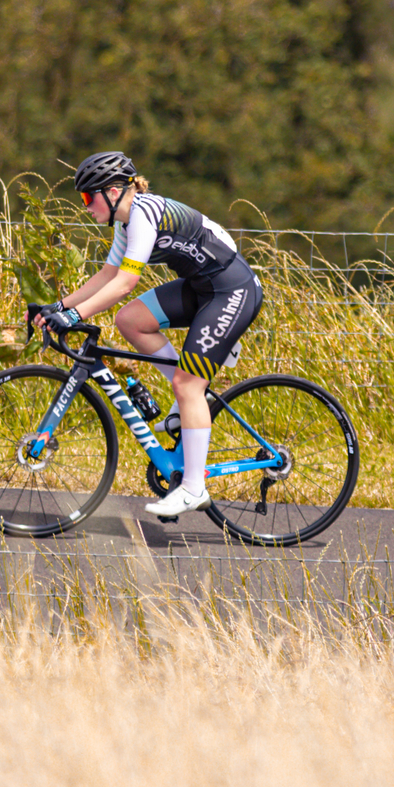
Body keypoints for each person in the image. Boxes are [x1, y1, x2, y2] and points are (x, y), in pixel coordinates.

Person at [30, 149, 263, 521]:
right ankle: (189, 397)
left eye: (88, 198)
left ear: (111, 191)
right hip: (202, 285)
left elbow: (125, 282)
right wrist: (58, 307)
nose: (86, 207)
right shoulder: (125, 223)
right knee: (131, 320)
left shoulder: (142, 214)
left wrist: (75, 315)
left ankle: (193, 489)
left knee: (187, 385)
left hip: (231, 289)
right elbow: (108, 274)